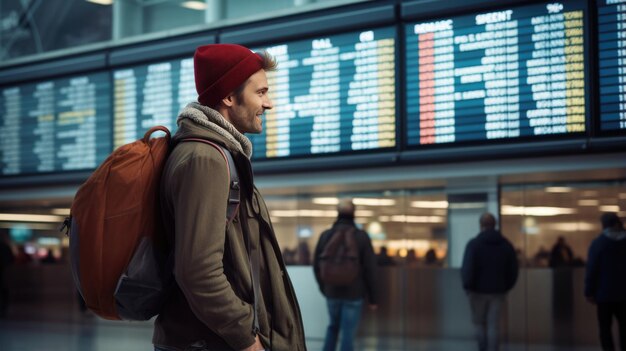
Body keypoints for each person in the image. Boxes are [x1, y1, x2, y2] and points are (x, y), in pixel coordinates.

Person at [154, 44, 306, 351]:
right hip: (212, 342)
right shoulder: (205, 159)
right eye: (261, 93)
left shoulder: (217, 154)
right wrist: (247, 340)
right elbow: (197, 270)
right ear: (228, 97)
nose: (269, 104)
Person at [313, 199, 379, 351]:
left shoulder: (326, 235)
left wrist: (324, 288)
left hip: (332, 292)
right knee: (348, 332)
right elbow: (370, 268)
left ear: (338, 213)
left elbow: (316, 265)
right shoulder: (361, 236)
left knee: (332, 327)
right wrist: (373, 298)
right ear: (354, 213)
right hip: (354, 293)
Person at [461, 213, 518, 351]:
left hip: (477, 292)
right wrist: (506, 286)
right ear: (495, 225)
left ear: (481, 226)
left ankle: (482, 348)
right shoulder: (506, 245)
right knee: (494, 325)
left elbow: (468, 268)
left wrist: (468, 287)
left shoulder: (473, 245)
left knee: (479, 323)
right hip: (498, 291)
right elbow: (513, 270)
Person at [585, 213, 626, 351]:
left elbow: (592, 269)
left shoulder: (598, 243)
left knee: (605, 330)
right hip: (624, 295)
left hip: (604, 295)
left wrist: (589, 291)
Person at [0, 233, 14, 318]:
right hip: (3, 270)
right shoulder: (4, 246)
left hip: (3, 270)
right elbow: (11, 259)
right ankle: (3, 308)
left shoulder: (4, 246)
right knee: (3, 289)